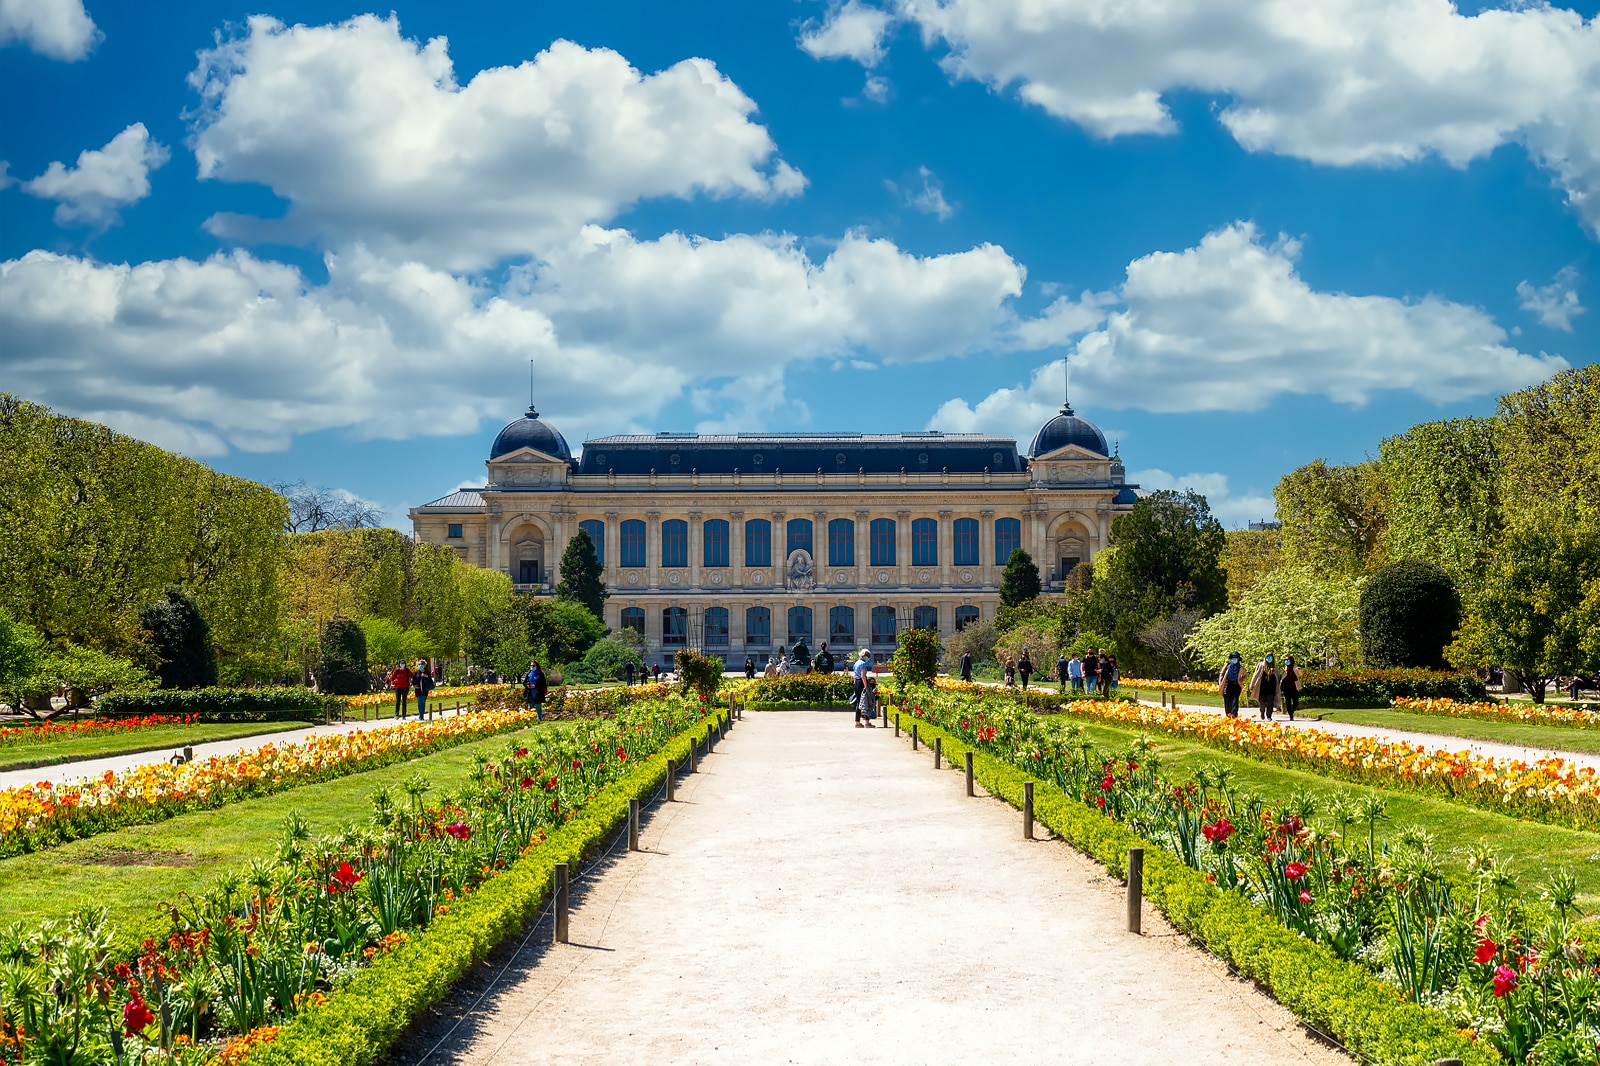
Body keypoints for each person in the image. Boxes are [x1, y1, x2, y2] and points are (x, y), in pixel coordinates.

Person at [1249, 653, 1280, 721]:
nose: (1269, 659)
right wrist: (1252, 684)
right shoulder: (1261, 665)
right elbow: (1256, 674)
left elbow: (1277, 676)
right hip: (1262, 687)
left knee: (1270, 702)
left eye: (1270, 657)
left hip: (1271, 687)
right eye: (1268, 657)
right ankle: (1262, 712)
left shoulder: (1274, 665)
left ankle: (1269, 715)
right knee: (1262, 702)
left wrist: (1278, 685)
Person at [1218, 651, 1244, 718]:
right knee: (1227, 700)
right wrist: (1221, 682)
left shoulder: (1240, 667)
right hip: (1227, 685)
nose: (1234, 659)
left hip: (1236, 685)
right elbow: (1222, 673)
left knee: (1235, 700)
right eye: (1233, 658)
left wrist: (1241, 680)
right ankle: (1228, 714)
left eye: (1236, 658)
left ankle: (1234, 714)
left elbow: (1245, 675)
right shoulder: (1227, 666)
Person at [1281, 655, 1301, 721]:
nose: (1286, 661)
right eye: (1285, 660)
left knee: (1296, 700)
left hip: (1294, 687)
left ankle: (1292, 710)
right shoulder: (1284, 668)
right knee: (1288, 702)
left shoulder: (1295, 667)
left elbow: (1300, 674)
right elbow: (1282, 677)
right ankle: (1291, 715)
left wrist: (1299, 670)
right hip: (1286, 688)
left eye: (1288, 660)